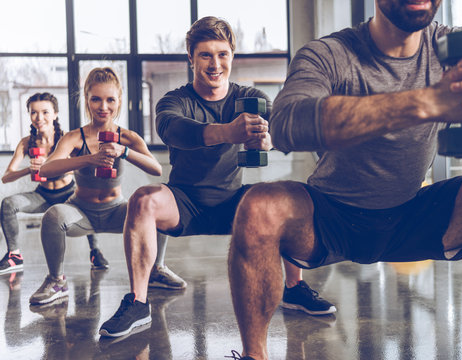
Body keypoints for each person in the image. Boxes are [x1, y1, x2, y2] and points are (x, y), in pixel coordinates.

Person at [226, 1, 462, 359]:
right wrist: (425, 103)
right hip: (331, 216)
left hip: (411, 213)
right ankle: (255, 355)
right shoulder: (330, 53)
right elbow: (286, 123)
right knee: (257, 207)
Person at [98, 16, 336, 338]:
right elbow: (174, 131)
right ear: (191, 58)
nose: (215, 64)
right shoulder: (175, 100)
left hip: (233, 201)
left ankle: (293, 288)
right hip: (184, 201)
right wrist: (227, 131)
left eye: (222, 54)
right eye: (205, 55)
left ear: (232, 56)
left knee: (285, 198)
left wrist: (268, 140)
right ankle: (138, 303)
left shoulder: (250, 98)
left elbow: (282, 128)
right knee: (143, 199)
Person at [28, 67, 185, 305]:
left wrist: (125, 152)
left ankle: (156, 269)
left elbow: (156, 169)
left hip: (116, 211)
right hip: (81, 212)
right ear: (87, 101)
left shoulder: (128, 137)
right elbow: (46, 170)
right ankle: (56, 280)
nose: (103, 107)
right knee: (53, 215)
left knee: (158, 204)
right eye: (96, 99)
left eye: (110, 100)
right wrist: (88, 159)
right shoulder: (74, 137)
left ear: (119, 101)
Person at [0, 92, 107, 275]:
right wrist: (30, 169)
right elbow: (6, 176)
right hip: (42, 195)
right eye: (34, 113)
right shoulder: (26, 143)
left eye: (45, 112)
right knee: (8, 204)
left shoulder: (68, 138)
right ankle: (14, 255)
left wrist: (54, 167)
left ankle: (95, 252)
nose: (39, 118)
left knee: (87, 198)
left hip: (68, 194)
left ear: (55, 114)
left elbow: (85, 168)